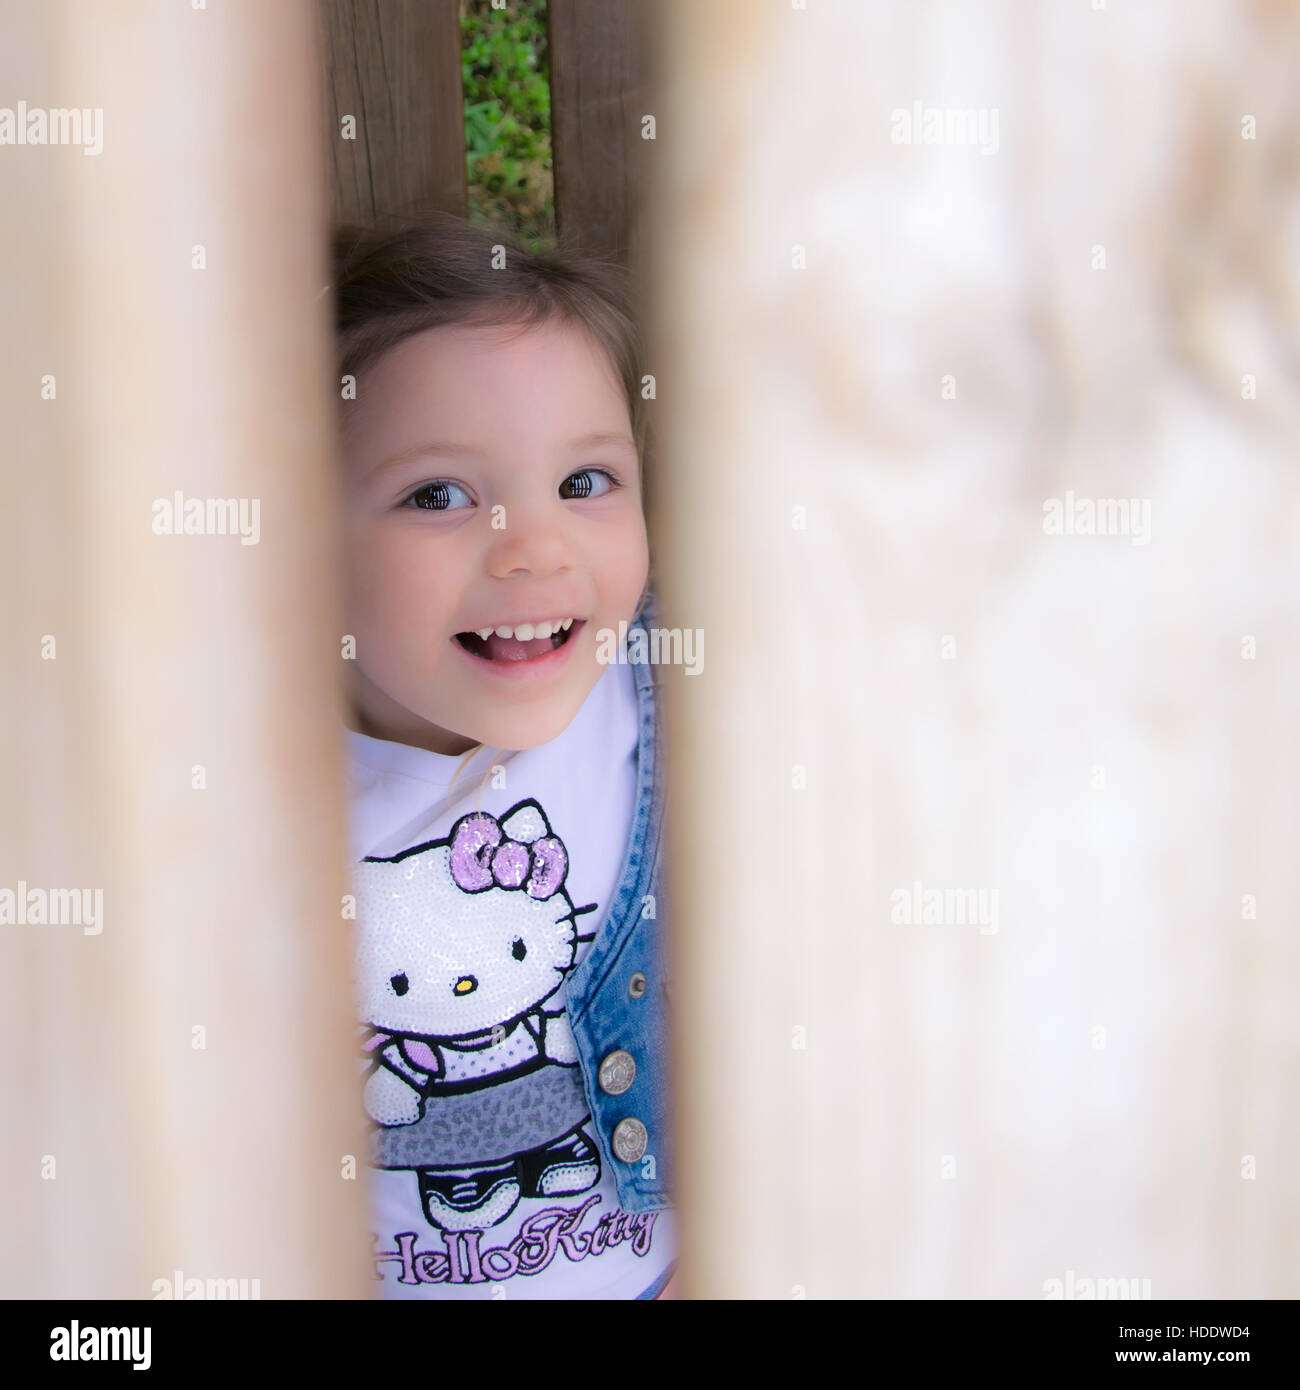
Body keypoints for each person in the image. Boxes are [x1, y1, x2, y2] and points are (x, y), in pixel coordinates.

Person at [331, 211, 677, 1299]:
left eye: (586, 483)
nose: (536, 549)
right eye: (437, 495)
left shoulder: (669, 700)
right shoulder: (223, 784)